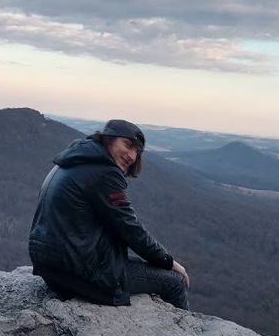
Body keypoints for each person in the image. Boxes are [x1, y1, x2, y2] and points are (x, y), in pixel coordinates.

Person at [29, 119, 190, 309]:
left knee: (143, 266)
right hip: (78, 272)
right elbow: (131, 229)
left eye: (137, 151)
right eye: (128, 145)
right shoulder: (105, 173)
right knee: (175, 282)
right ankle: (185, 335)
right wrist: (168, 262)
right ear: (108, 139)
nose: (132, 156)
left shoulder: (74, 160)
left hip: (54, 268)